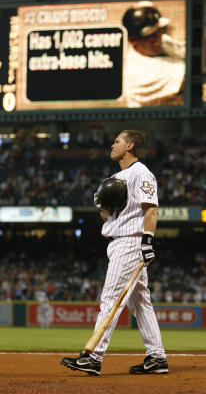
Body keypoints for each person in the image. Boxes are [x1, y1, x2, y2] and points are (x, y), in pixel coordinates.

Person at [61, 130, 168, 375]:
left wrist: (147, 242)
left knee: (111, 298)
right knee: (141, 303)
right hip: (118, 239)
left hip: (130, 241)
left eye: (118, 141)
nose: (112, 144)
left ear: (130, 145)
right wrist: (103, 206)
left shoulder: (141, 173)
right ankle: (157, 357)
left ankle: (93, 356)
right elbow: (107, 216)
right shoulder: (117, 176)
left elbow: (151, 210)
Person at [122, 1, 185, 107]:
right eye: (152, 35)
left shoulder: (159, 41)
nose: (159, 37)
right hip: (155, 121)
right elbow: (190, 77)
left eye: (160, 31)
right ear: (133, 39)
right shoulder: (136, 72)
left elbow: (187, 51)